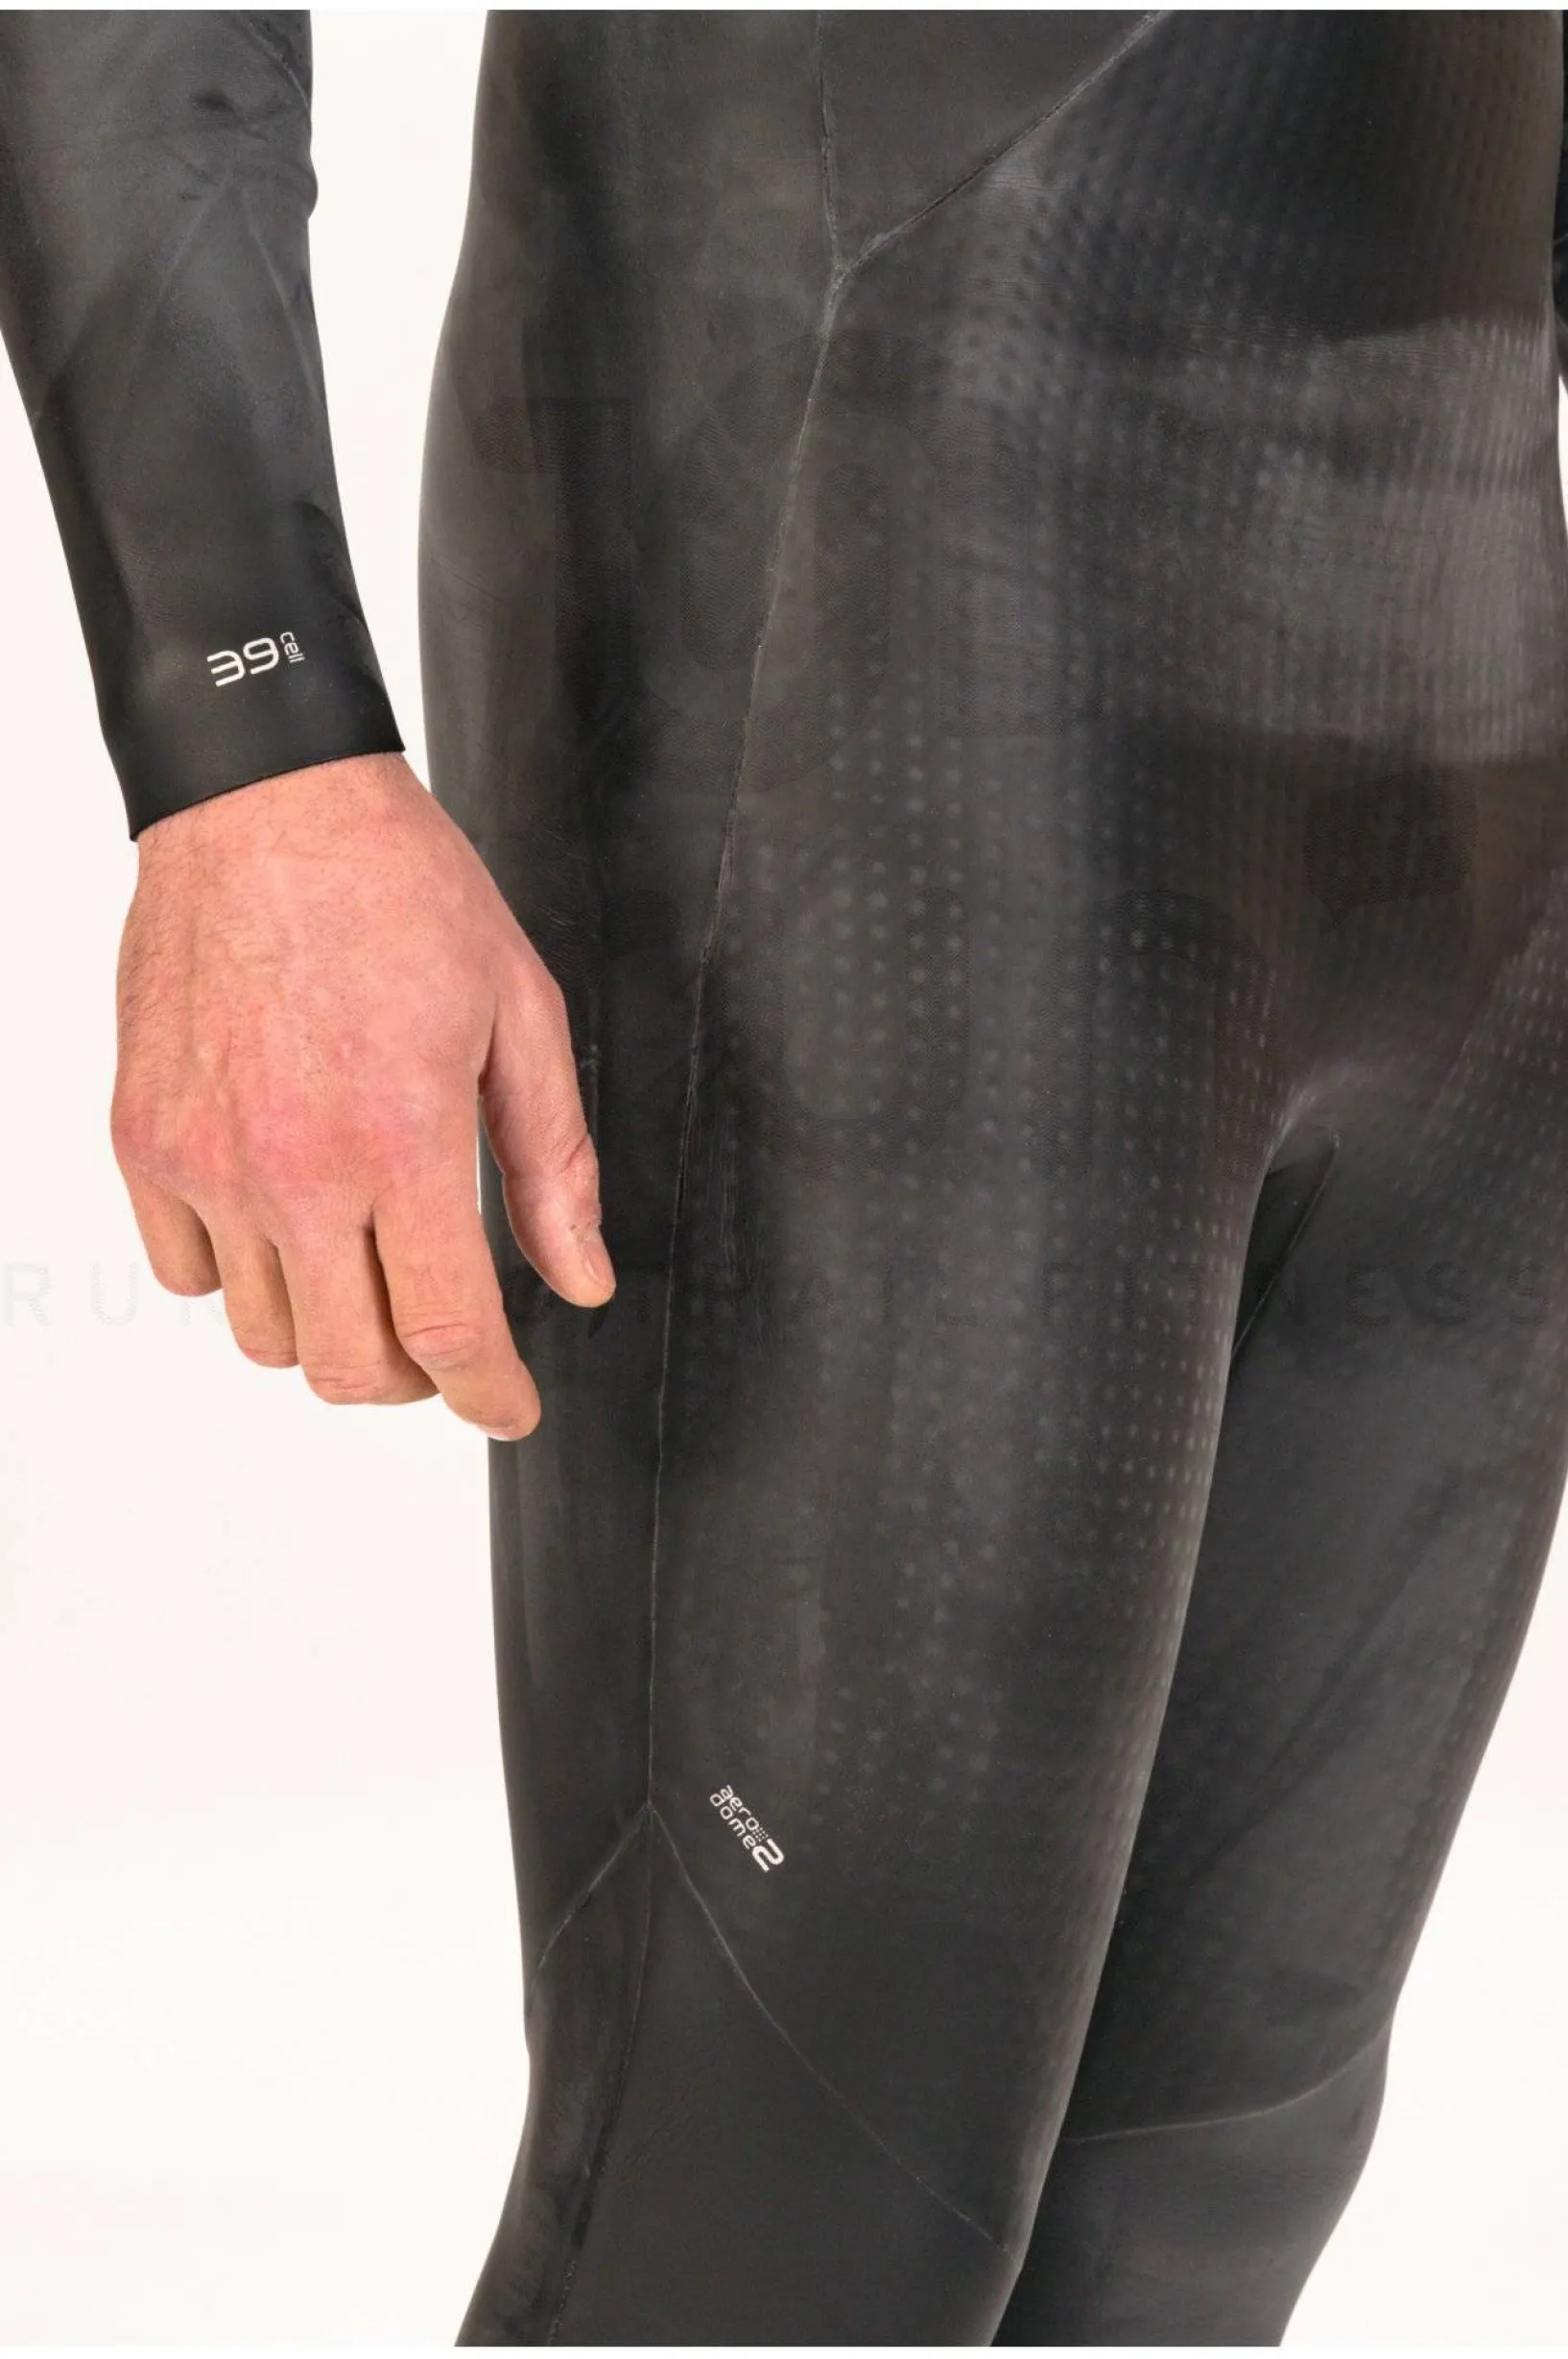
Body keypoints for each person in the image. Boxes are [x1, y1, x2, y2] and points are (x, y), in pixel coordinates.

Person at [4, 10, 1568, 2343]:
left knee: (1197, 2203)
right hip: (871, 632)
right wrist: (250, 749)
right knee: (784, 2223)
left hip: (1473, 708)